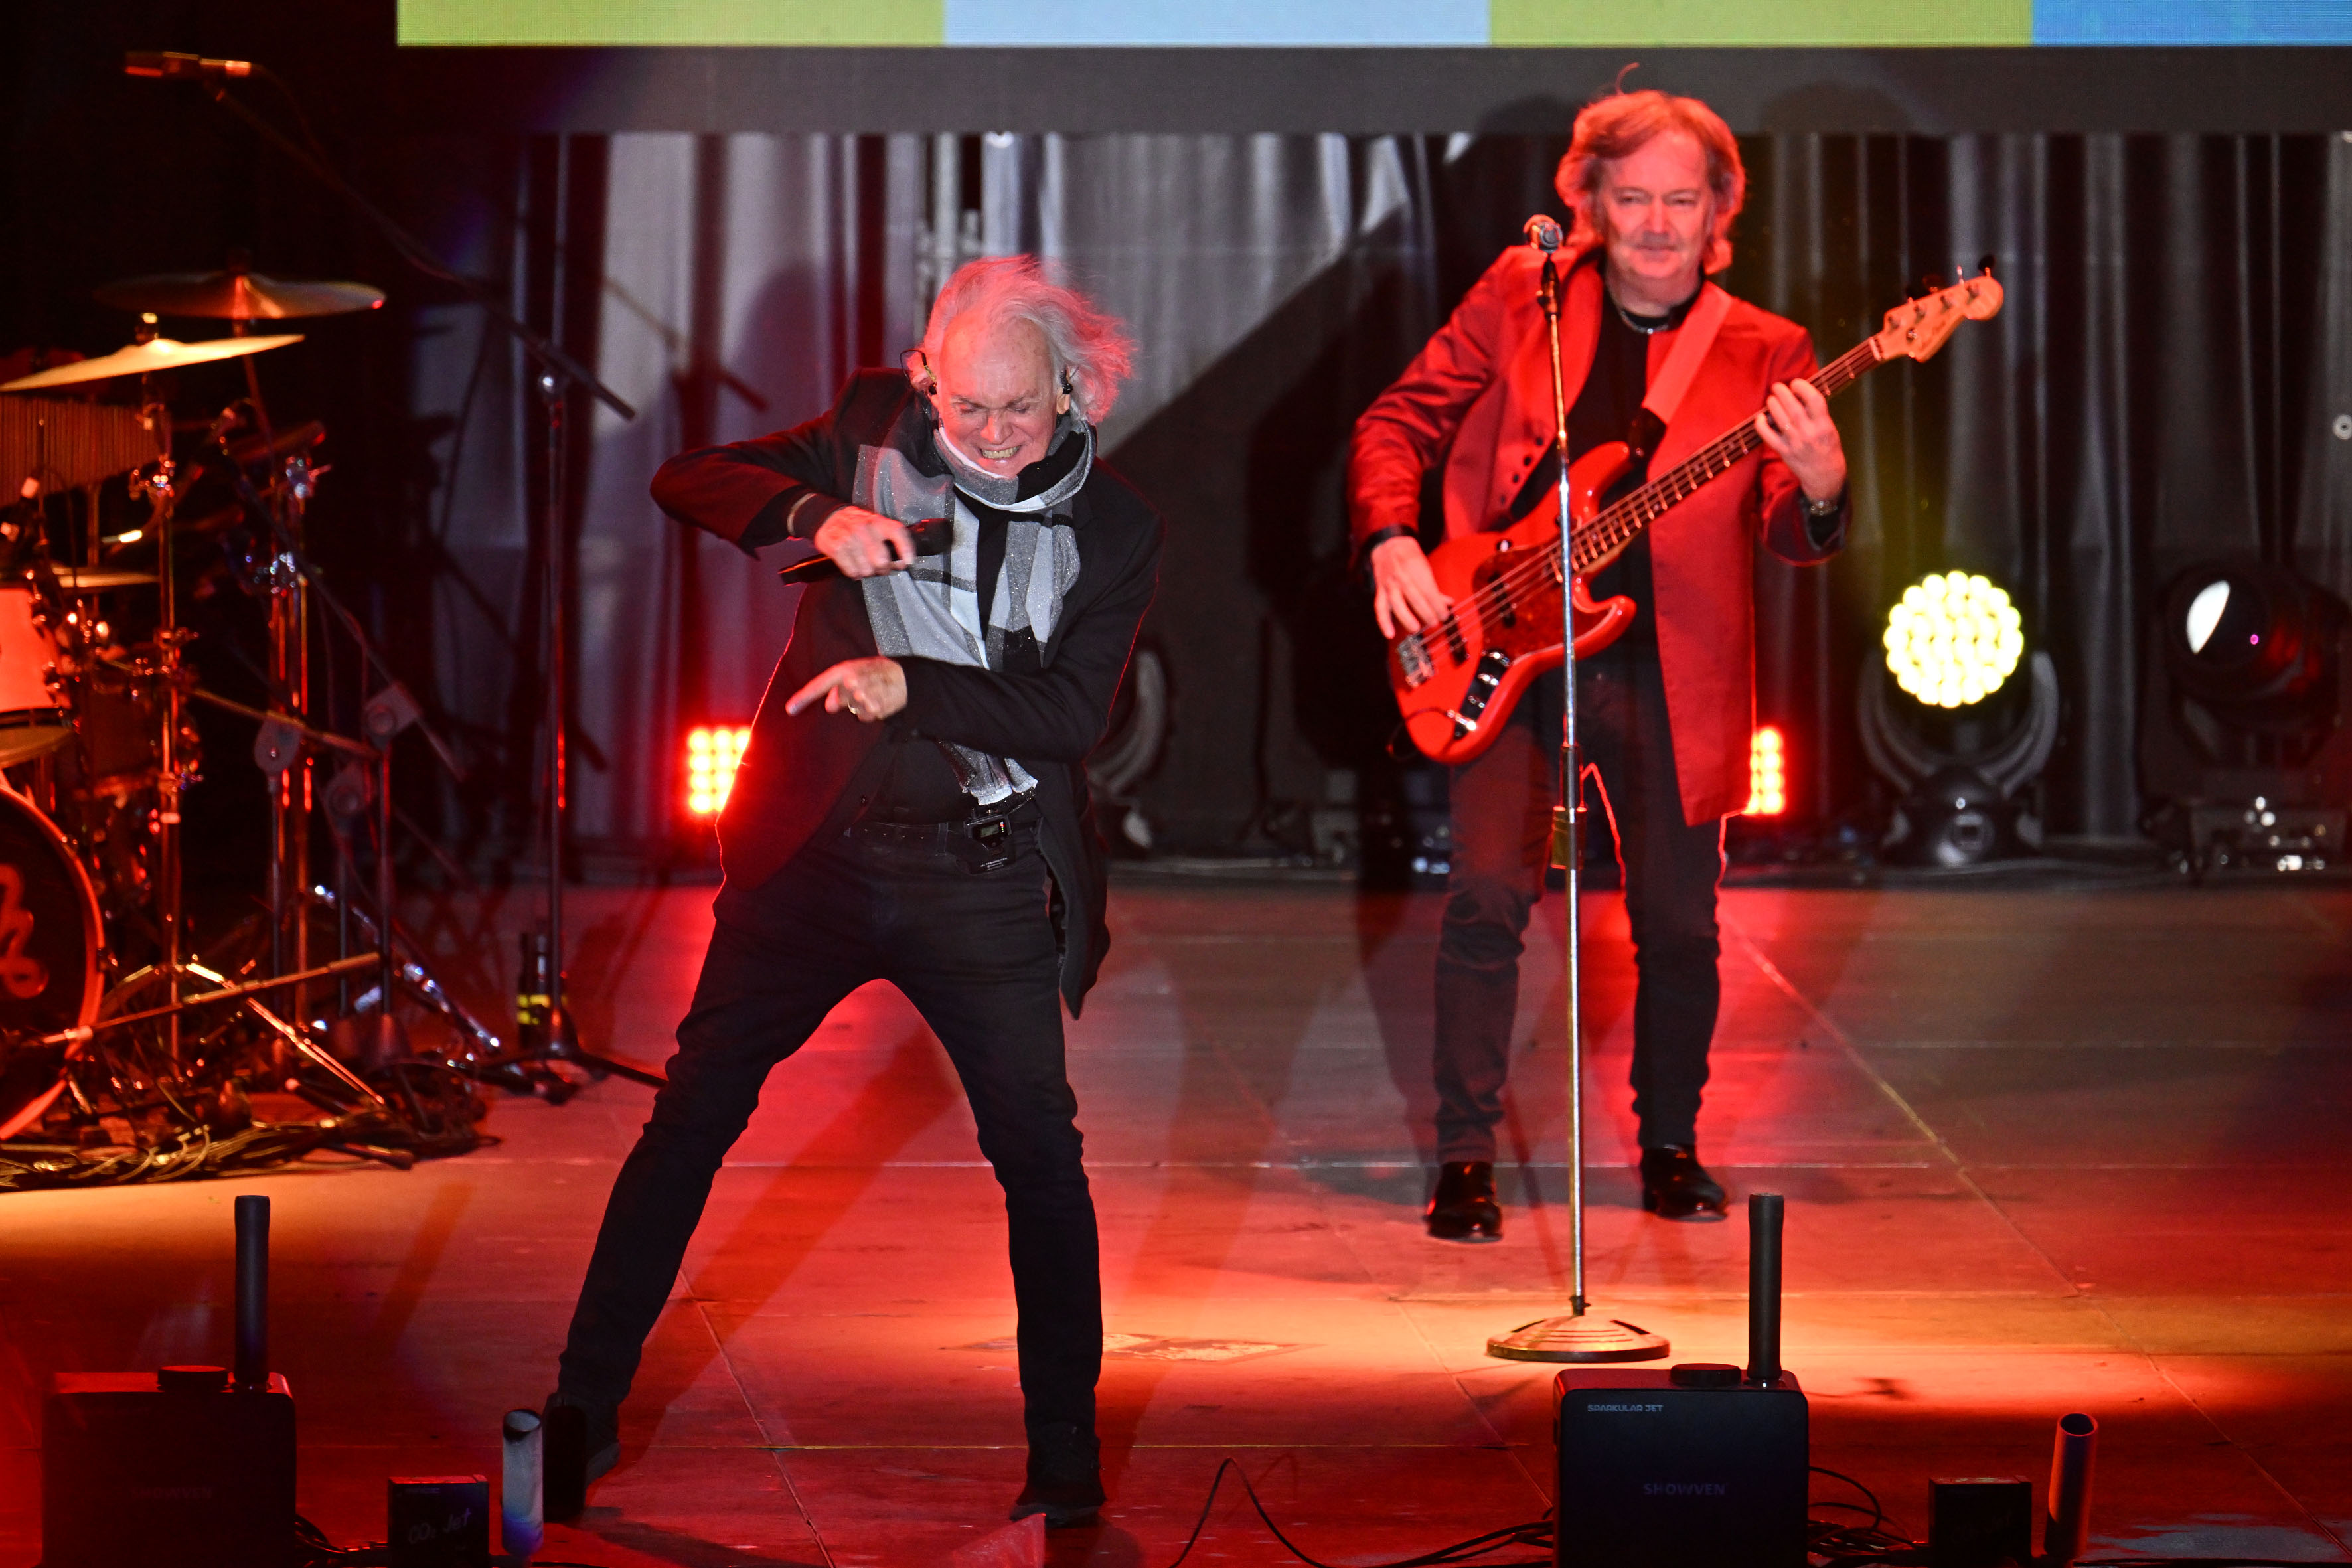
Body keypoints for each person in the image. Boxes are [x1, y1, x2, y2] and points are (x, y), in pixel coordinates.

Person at [547, 256, 1160, 1528]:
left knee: (1040, 1161)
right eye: (967, 407)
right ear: (927, 378)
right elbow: (687, 476)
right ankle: (578, 1408)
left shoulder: (1114, 528)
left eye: (1021, 408)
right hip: (815, 861)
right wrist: (814, 517)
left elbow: (1067, 717)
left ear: (1072, 390)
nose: (992, 434)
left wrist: (909, 686)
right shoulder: (870, 428)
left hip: (983, 875)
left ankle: (1064, 1455)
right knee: (690, 1118)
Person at [1348, 88, 1849, 1237]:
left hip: (1673, 668)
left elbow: (1787, 523)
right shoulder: (1522, 295)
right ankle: (1466, 1158)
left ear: (1719, 211)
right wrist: (1391, 539)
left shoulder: (1767, 347)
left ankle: (1670, 1144)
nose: (1659, 223)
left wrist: (1823, 487)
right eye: (1633, 198)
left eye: (1682, 199)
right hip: (1504, 642)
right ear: (1589, 203)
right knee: (1486, 896)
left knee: (1678, 924)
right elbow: (1395, 423)